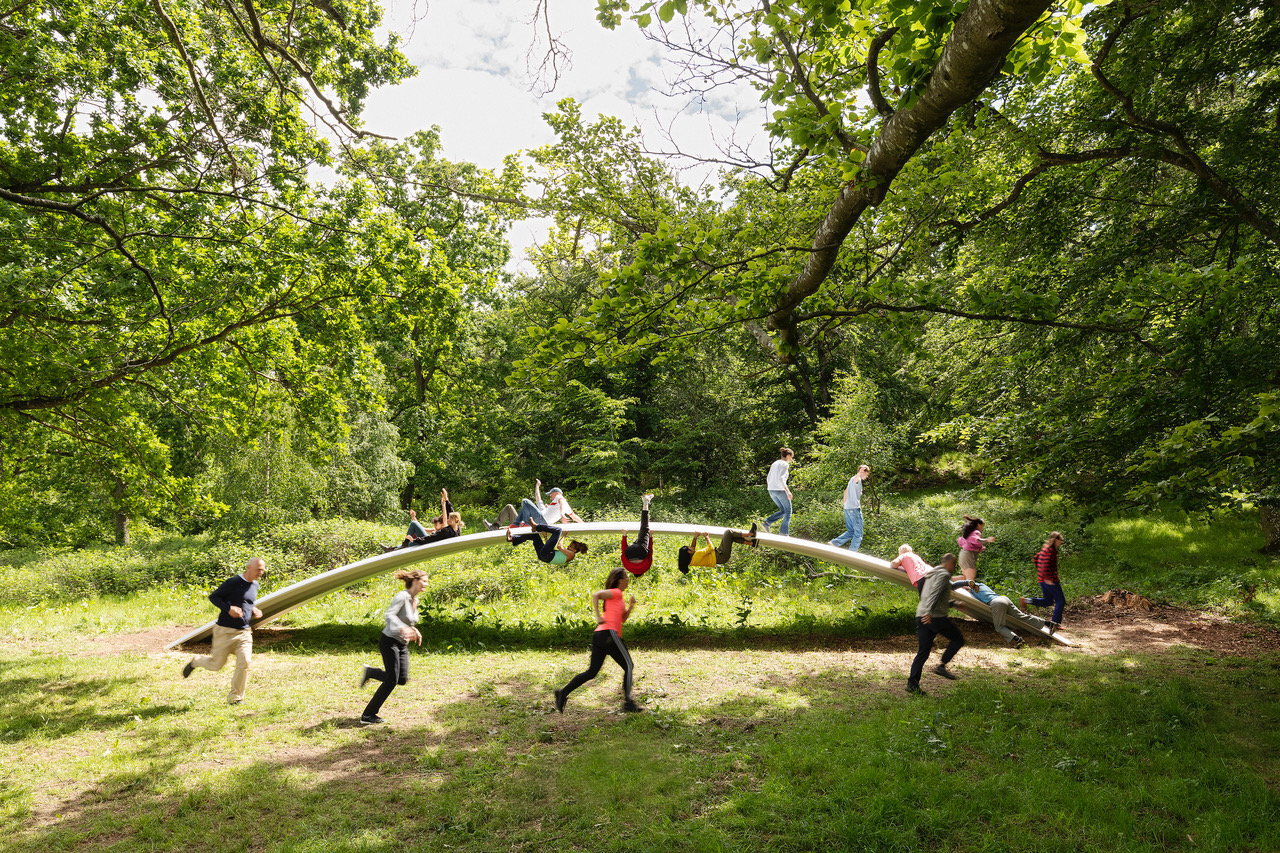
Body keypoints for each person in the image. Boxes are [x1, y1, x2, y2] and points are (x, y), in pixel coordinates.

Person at [554, 567, 640, 713]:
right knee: (629, 666)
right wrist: (598, 616)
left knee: (592, 672)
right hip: (609, 634)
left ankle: (562, 693)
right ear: (619, 581)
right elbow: (596, 594)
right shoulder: (616, 592)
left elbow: (623, 619)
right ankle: (628, 702)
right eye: (626, 577)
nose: (628, 580)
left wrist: (631, 607)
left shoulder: (618, 597)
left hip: (601, 636)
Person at [181, 557, 266, 704]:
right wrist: (228, 608)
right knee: (216, 665)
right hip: (225, 631)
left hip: (244, 632)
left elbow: (247, 602)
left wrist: (254, 609)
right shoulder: (233, 582)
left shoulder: (255, 585)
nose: (262, 572)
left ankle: (235, 698)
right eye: (259, 569)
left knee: (245, 662)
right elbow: (214, 597)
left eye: (263, 569)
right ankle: (196, 661)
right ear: (249, 567)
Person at [357, 569, 426, 724]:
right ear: (415, 581)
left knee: (401, 679)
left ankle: (371, 672)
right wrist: (402, 628)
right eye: (424, 581)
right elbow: (390, 615)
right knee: (391, 680)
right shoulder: (402, 596)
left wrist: (414, 629)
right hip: (389, 641)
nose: (426, 584)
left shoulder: (415, 600)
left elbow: (408, 620)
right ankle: (368, 715)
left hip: (402, 644)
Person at [906, 554, 966, 695]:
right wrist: (929, 612)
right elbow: (935, 593)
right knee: (958, 639)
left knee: (923, 652)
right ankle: (942, 666)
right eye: (954, 565)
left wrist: (953, 604)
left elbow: (928, 596)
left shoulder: (930, 574)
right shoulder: (944, 574)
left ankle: (912, 684)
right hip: (934, 617)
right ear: (949, 563)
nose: (954, 568)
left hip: (921, 616)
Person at [954, 577, 1047, 647]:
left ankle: (1017, 640)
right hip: (1003, 598)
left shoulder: (973, 589)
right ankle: (1047, 623)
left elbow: (970, 591)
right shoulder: (982, 585)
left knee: (999, 627)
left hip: (996, 603)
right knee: (1021, 616)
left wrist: (965, 588)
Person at [383, 489, 463, 551]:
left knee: (413, 525)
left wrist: (414, 539)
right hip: (429, 542)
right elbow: (452, 512)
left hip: (429, 544)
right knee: (413, 530)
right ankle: (396, 547)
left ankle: (403, 545)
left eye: (450, 519)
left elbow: (430, 538)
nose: (448, 520)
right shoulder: (456, 529)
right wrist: (446, 499)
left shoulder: (446, 530)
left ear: (455, 520)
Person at [487, 479, 584, 529]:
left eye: (551, 494)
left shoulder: (560, 498)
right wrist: (537, 486)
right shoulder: (546, 508)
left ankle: (521, 523)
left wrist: (563, 513)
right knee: (509, 507)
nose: (550, 496)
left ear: (556, 493)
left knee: (525, 501)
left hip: (541, 521)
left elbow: (563, 503)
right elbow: (538, 498)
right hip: (535, 520)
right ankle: (495, 526)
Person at [1023, 531, 1066, 634]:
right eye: (1060, 540)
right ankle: (1054, 623)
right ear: (1056, 540)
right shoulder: (1051, 551)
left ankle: (1027, 600)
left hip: (1042, 579)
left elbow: (1035, 559)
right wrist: (1048, 578)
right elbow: (1045, 564)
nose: (1061, 542)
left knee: (1048, 601)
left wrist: (1041, 575)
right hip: (1049, 580)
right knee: (1061, 601)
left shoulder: (1044, 549)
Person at [676, 525, 759, 574]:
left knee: (730, 538)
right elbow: (710, 547)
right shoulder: (697, 555)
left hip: (719, 556)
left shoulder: (691, 559)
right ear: (689, 553)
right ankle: (750, 534)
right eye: (689, 548)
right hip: (721, 555)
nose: (691, 547)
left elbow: (693, 547)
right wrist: (707, 537)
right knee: (728, 533)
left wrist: (695, 537)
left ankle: (751, 543)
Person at [829, 464, 871, 550]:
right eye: (867, 474)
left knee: (851, 531)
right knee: (858, 534)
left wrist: (845, 502)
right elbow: (856, 479)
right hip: (854, 509)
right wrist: (860, 472)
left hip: (847, 508)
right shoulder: (857, 479)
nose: (867, 476)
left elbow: (846, 490)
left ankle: (834, 543)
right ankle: (852, 552)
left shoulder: (851, 479)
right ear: (864, 472)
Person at [509, 522, 588, 565]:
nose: (568, 546)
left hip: (547, 555)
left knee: (558, 530)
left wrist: (564, 535)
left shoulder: (571, 554)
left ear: (574, 550)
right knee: (535, 536)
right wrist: (545, 537)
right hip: (544, 556)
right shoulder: (568, 553)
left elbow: (559, 546)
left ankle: (536, 526)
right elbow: (549, 547)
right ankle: (513, 539)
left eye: (570, 546)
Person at [620, 493, 655, 576]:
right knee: (639, 538)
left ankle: (646, 502)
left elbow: (650, 553)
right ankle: (645, 502)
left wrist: (650, 536)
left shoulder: (646, 568)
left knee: (644, 527)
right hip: (630, 551)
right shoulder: (628, 568)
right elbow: (623, 554)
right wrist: (624, 535)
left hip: (641, 551)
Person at [763, 446, 795, 535]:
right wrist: (788, 491)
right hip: (780, 490)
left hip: (771, 490)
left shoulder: (775, 463)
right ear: (788, 455)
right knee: (788, 512)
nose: (792, 459)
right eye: (791, 457)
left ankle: (767, 522)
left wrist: (770, 487)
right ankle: (784, 534)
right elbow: (782, 478)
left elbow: (768, 477)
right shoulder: (785, 464)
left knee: (783, 511)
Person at [956, 515, 996, 581]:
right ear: (978, 525)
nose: (983, 528)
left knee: (965, 577)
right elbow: (976, 540)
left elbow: (966, 543)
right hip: (968, 556)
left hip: (963, 555)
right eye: (982, 526)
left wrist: (980, 548)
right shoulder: (975, 532)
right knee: (970, 579)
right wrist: (987, 540)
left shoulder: (969, 533)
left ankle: (946, 580)